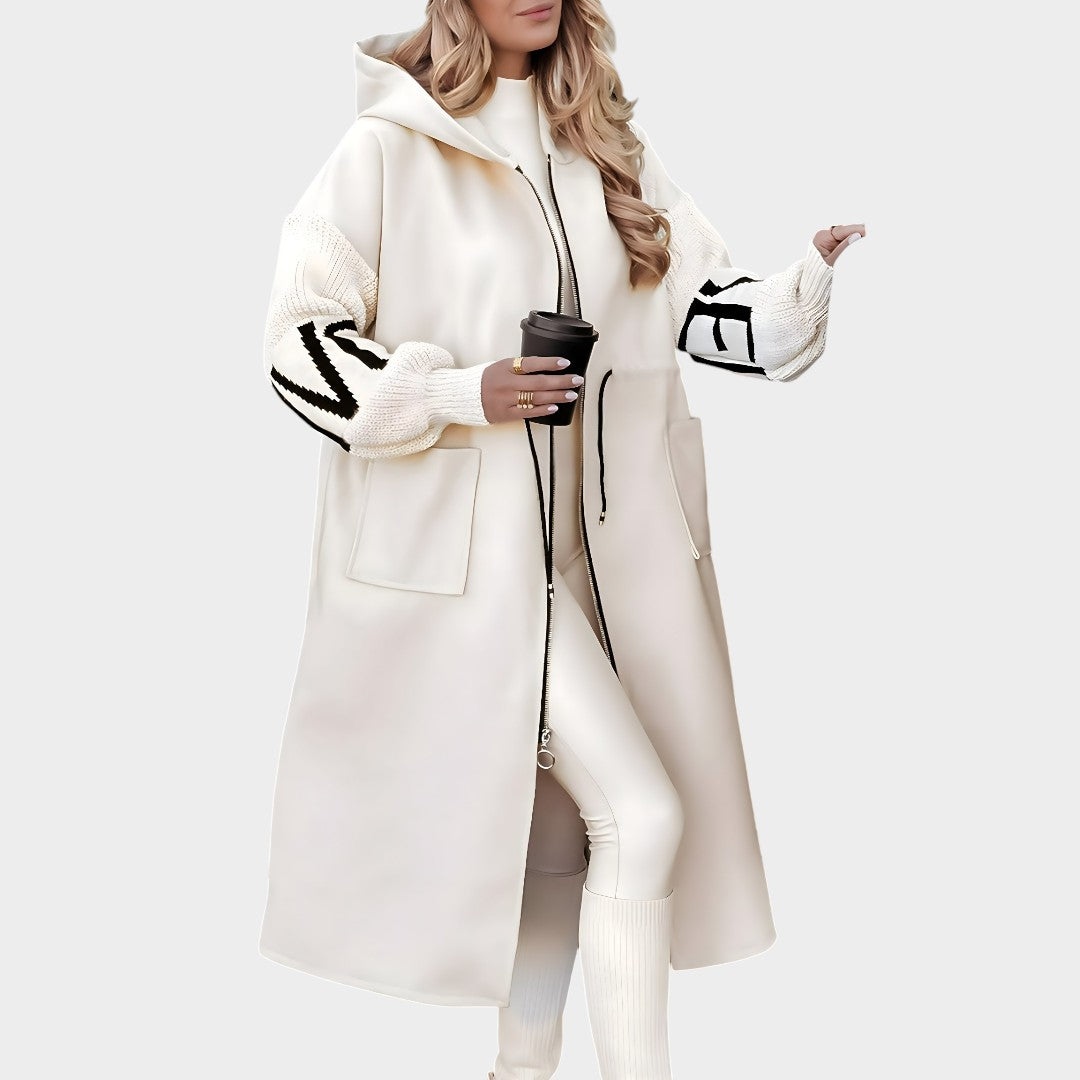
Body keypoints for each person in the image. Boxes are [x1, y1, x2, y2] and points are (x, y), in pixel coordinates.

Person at [258, 3, 865, 1079]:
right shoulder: (388, 149)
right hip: (465, 571)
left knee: (552, 843)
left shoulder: (602, 144)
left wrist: (802, 286)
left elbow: (703, 314)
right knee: (643, 813)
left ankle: (520, 1074)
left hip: (600, 561)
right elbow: (297, 351)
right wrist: (461, 392)